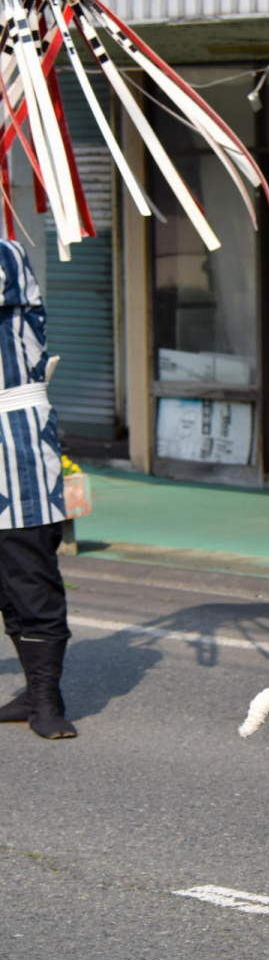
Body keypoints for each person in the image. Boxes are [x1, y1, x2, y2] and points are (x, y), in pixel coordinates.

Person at [0, 240, 75, 739]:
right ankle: (33, 690)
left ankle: (46, 697)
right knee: (6, 584)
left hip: (15, 444)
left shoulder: (5, 252)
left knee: (30, 576)